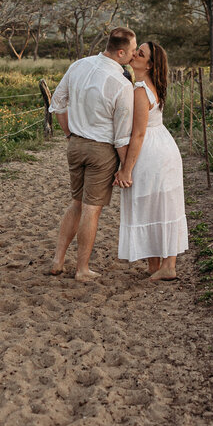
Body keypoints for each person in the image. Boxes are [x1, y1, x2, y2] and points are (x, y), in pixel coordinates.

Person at [47, 27, 137, 282]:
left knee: (76, 203)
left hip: (75, 145)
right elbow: (121, 137)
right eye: (131, 51)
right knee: (91, 210)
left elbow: (58, 103)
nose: (133, 55)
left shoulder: (78, 65)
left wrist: (69, 135)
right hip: (102, 150)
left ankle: (58, 260)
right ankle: (82, 268)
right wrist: (125, 167)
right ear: (120, 52)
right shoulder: (121, 84)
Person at [114, 41, 188, 281]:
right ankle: (155, 265)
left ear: (150, 64)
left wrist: (126, 169)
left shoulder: (140, 90)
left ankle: (168, 266)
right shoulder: (146, 86)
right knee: (155, 203)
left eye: (140, 53)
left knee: (157, 204)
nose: (134, 54)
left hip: (153, 151)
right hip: (162, 147)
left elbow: (138, 133)